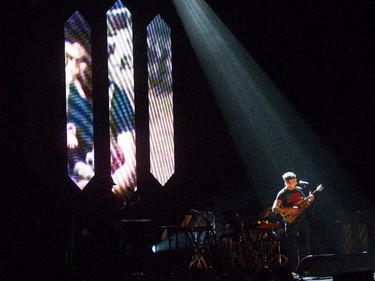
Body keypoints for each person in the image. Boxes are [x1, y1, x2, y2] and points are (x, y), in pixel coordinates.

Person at [272, 172, 314, 272]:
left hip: (302, 220)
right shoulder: (282, 193)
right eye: (293, 181)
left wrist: (309, 201)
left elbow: (304, 205)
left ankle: (305, 268)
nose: (296, 183)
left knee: (306, 243)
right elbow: (275, 209)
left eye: (296, 180)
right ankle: (292, 270)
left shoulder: (299, 191)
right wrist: (289, 210)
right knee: (292, 246)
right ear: (287, 183)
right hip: (291, 221)